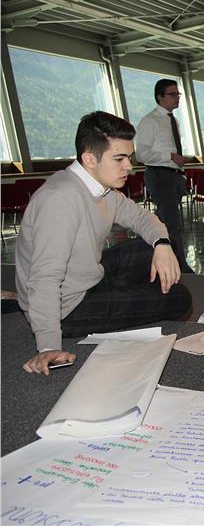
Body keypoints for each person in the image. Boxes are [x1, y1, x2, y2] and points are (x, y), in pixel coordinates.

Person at [15, 111, 192, 376]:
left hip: (88, 275)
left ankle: (131, 291)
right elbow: (44, 277)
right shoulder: (60, 199)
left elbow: (142, 217)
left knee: (166, 244)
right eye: (119, 159)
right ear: (89, 158)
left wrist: (162, 245)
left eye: (129, 157)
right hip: (69, 307)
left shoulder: (100, 188)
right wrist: (49, 346)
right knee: (179, 298)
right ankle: (132, 295)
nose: (129, 166)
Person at [136, 78, 191, 272]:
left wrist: (180, 174)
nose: (177, 98)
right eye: (172, 94)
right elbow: (141, 154)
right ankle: (179, 266)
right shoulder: (150, 121)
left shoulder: (172, 120)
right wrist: (170, 156)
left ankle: (157, 263)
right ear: (159, 97)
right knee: (171, 224)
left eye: (178, 94)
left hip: (173, 176)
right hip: (160, 175)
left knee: (167, 223)